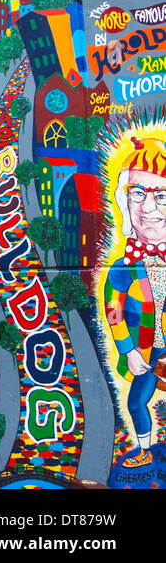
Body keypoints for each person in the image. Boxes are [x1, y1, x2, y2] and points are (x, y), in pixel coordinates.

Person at [105, 136, 166, 469]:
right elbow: (113, 314)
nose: (149, 207)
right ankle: (145, 449)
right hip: (146, 352)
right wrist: (128, 352)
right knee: (136, 403)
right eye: (138, 194)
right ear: (124, 200)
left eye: (160, 195)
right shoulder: (122, 269)